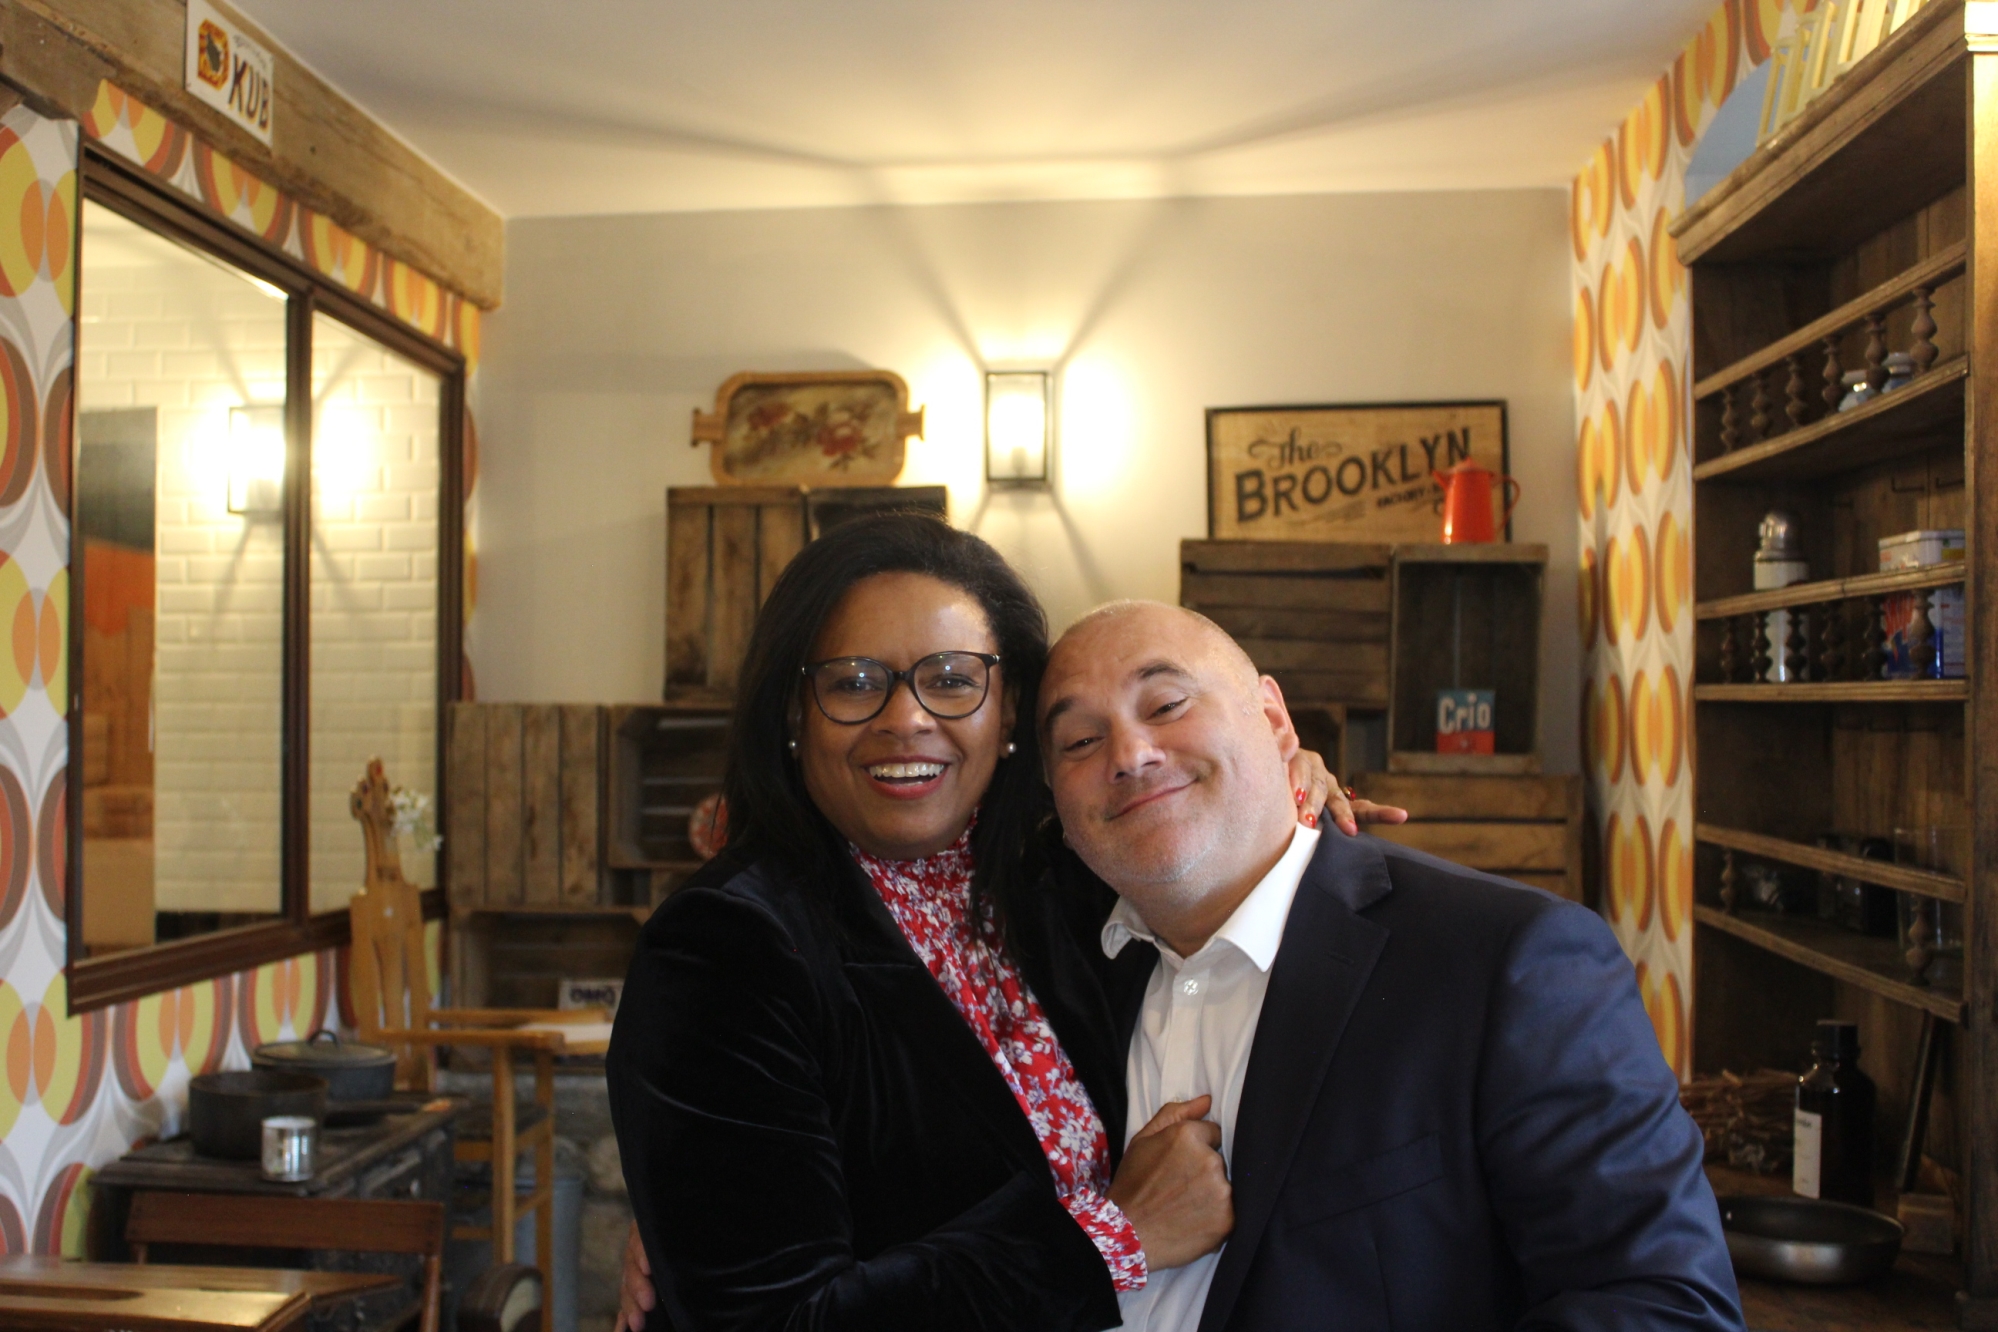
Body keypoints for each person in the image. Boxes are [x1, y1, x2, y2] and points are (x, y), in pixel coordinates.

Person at [605, 518, 1393, 1332]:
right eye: (853, 682)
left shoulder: (1065, 882)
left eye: (952, 679)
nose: (906, 718)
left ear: (1011, 708)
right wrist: (1113, 1237)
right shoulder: (725, 948)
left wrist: (1276, 774)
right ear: (793, 712)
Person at [1035, 600, 1743, 1331]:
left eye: (1167, 705)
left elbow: (1666, 1306)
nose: (1129, 754)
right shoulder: (1054, 979)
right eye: (1080, 740)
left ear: (1274, 721)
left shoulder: (1508, 962)